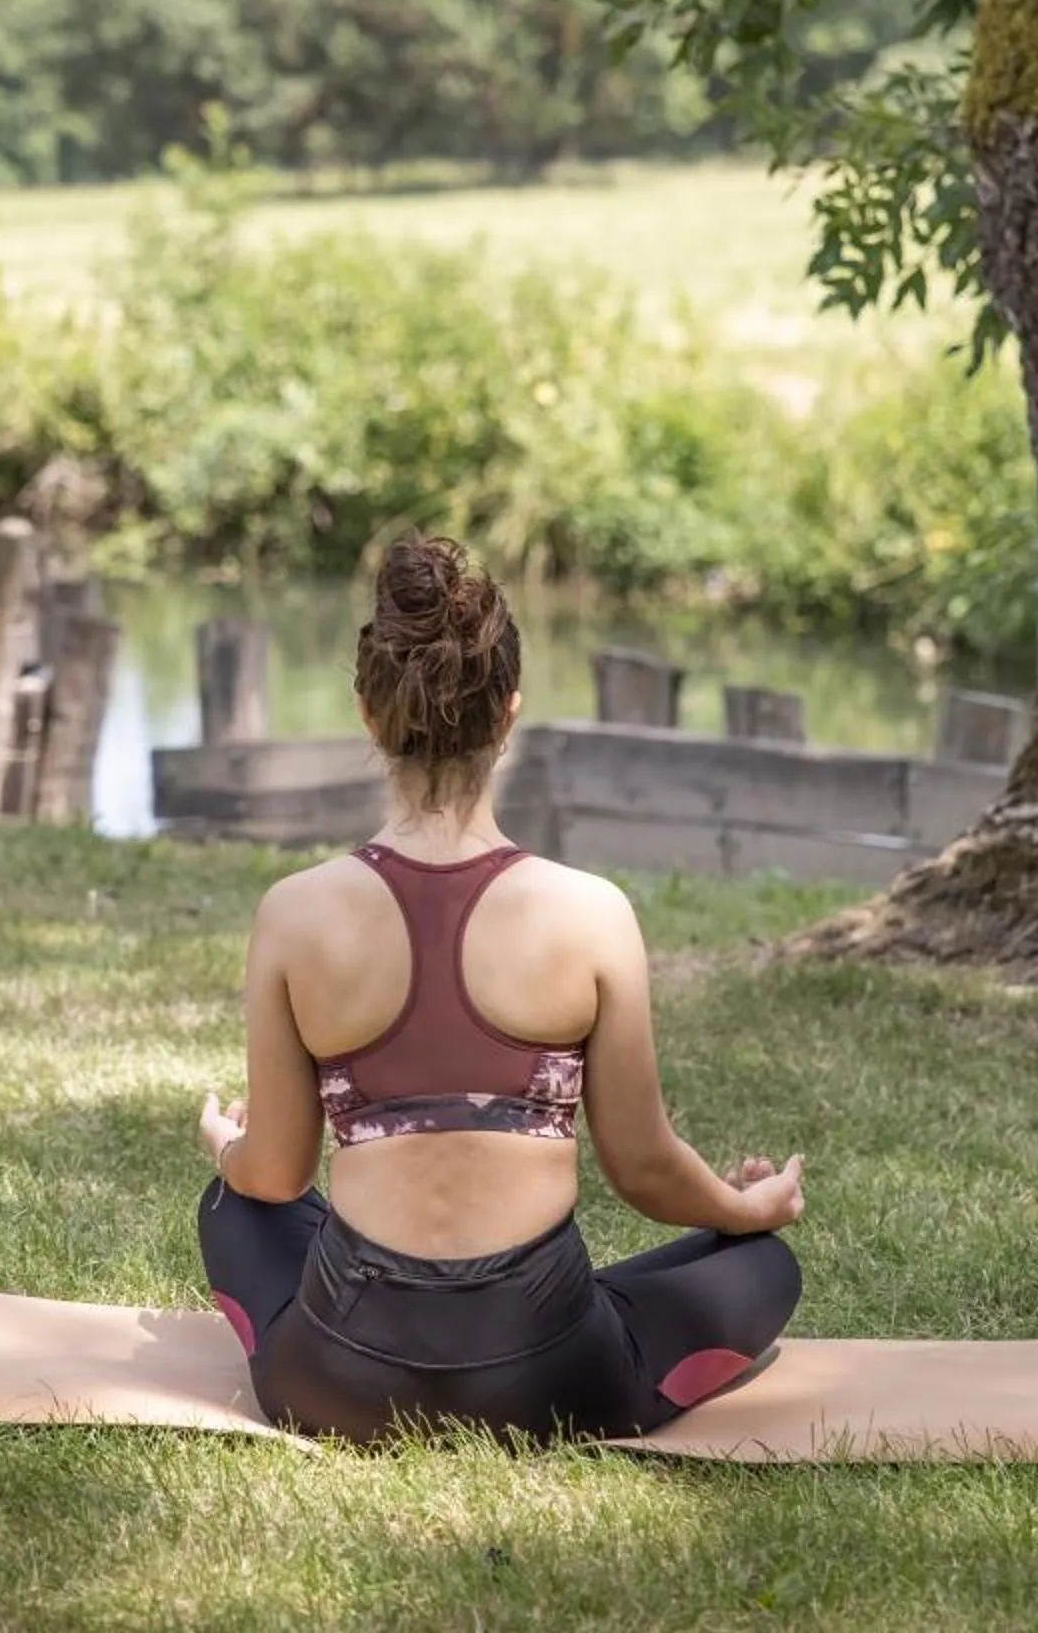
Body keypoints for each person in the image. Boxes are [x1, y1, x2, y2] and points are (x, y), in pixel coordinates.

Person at [193, 534, 806, 1444]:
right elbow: (644, 1167)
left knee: (231, 1207)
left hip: (338, 1381)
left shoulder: (296, 911)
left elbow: (275, 1176)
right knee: (763, 1268)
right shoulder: (590, 912)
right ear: (509, 712)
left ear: (368, 715)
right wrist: (744, 1211)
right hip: (550, 1380)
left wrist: (226, 1148)